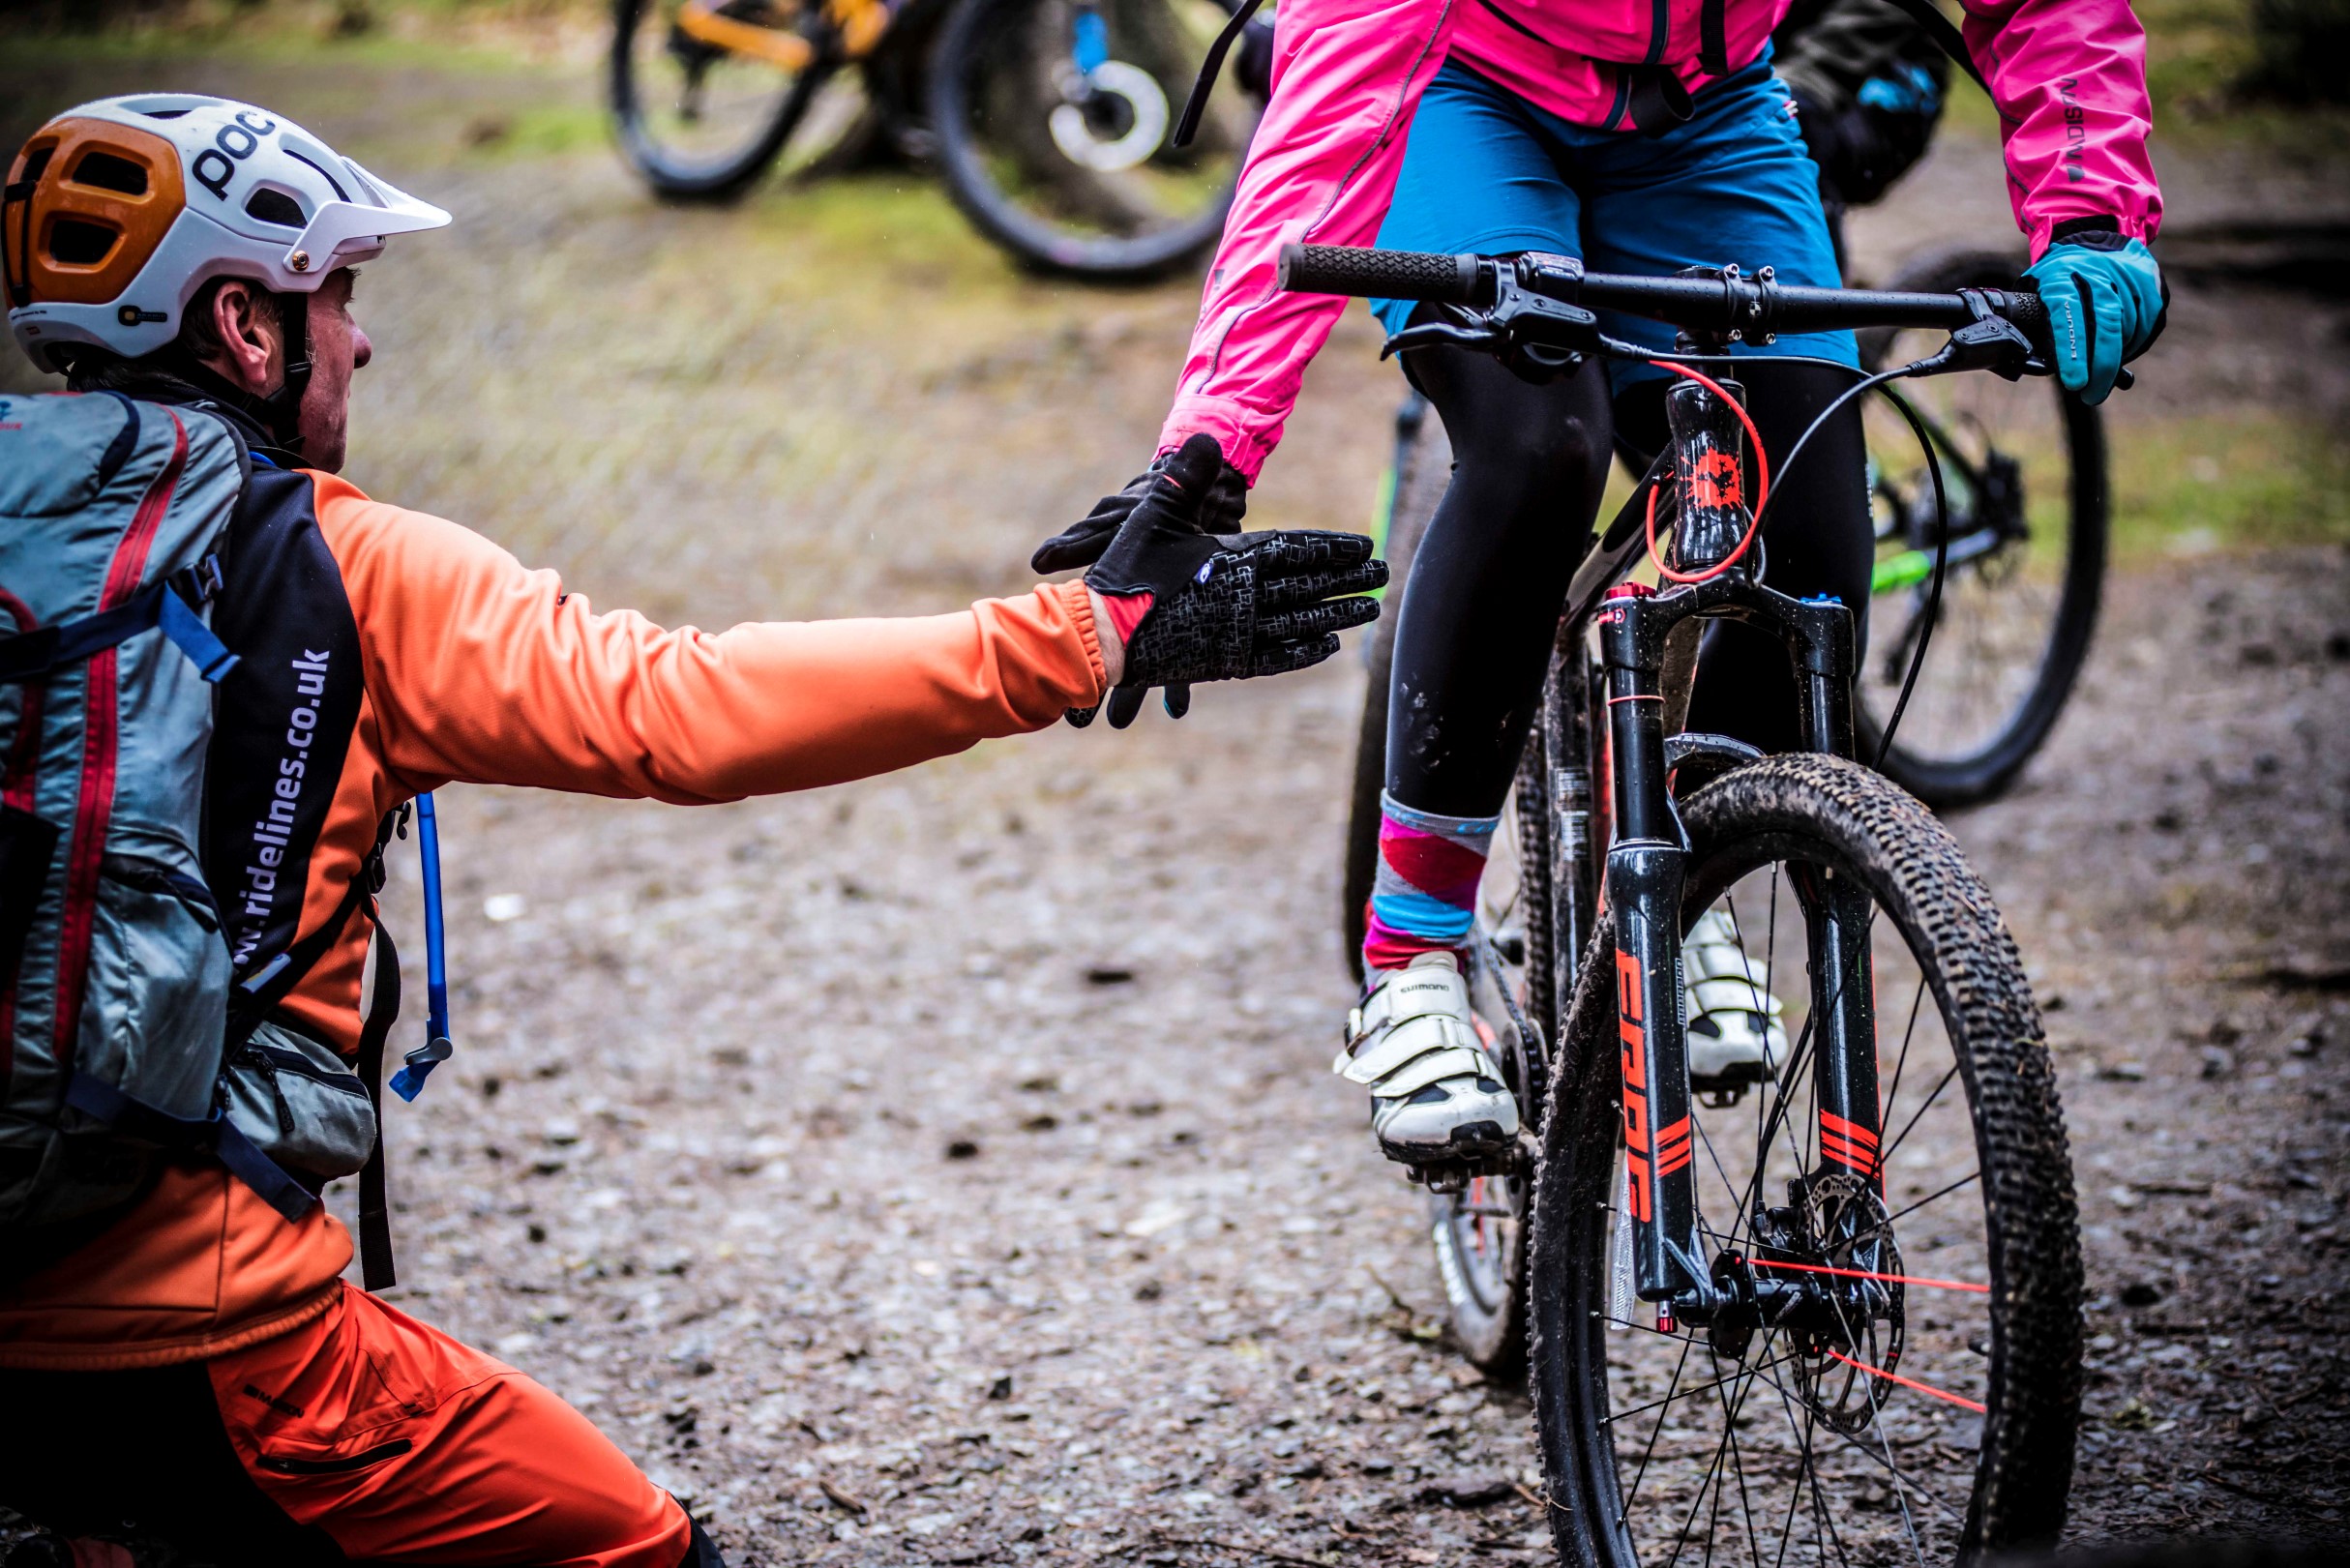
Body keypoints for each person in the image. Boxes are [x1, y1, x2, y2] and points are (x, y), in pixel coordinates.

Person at [0, 95, 1382, 1567]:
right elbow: (682, 706)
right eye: (333, 296)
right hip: (218, 1346)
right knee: (643, 1549)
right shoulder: (348, 566)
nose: (358, 337)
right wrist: (1080, 635)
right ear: (242, 329)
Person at [1033, 0, 2167, 1172]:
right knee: (1539, 449)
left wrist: (2089, 211)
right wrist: (1205, 465)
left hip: (1702, 108)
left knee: (1812, 529)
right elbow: (1328, 124)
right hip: (1450, 86)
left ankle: (1681, 880)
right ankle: (1412, 957)